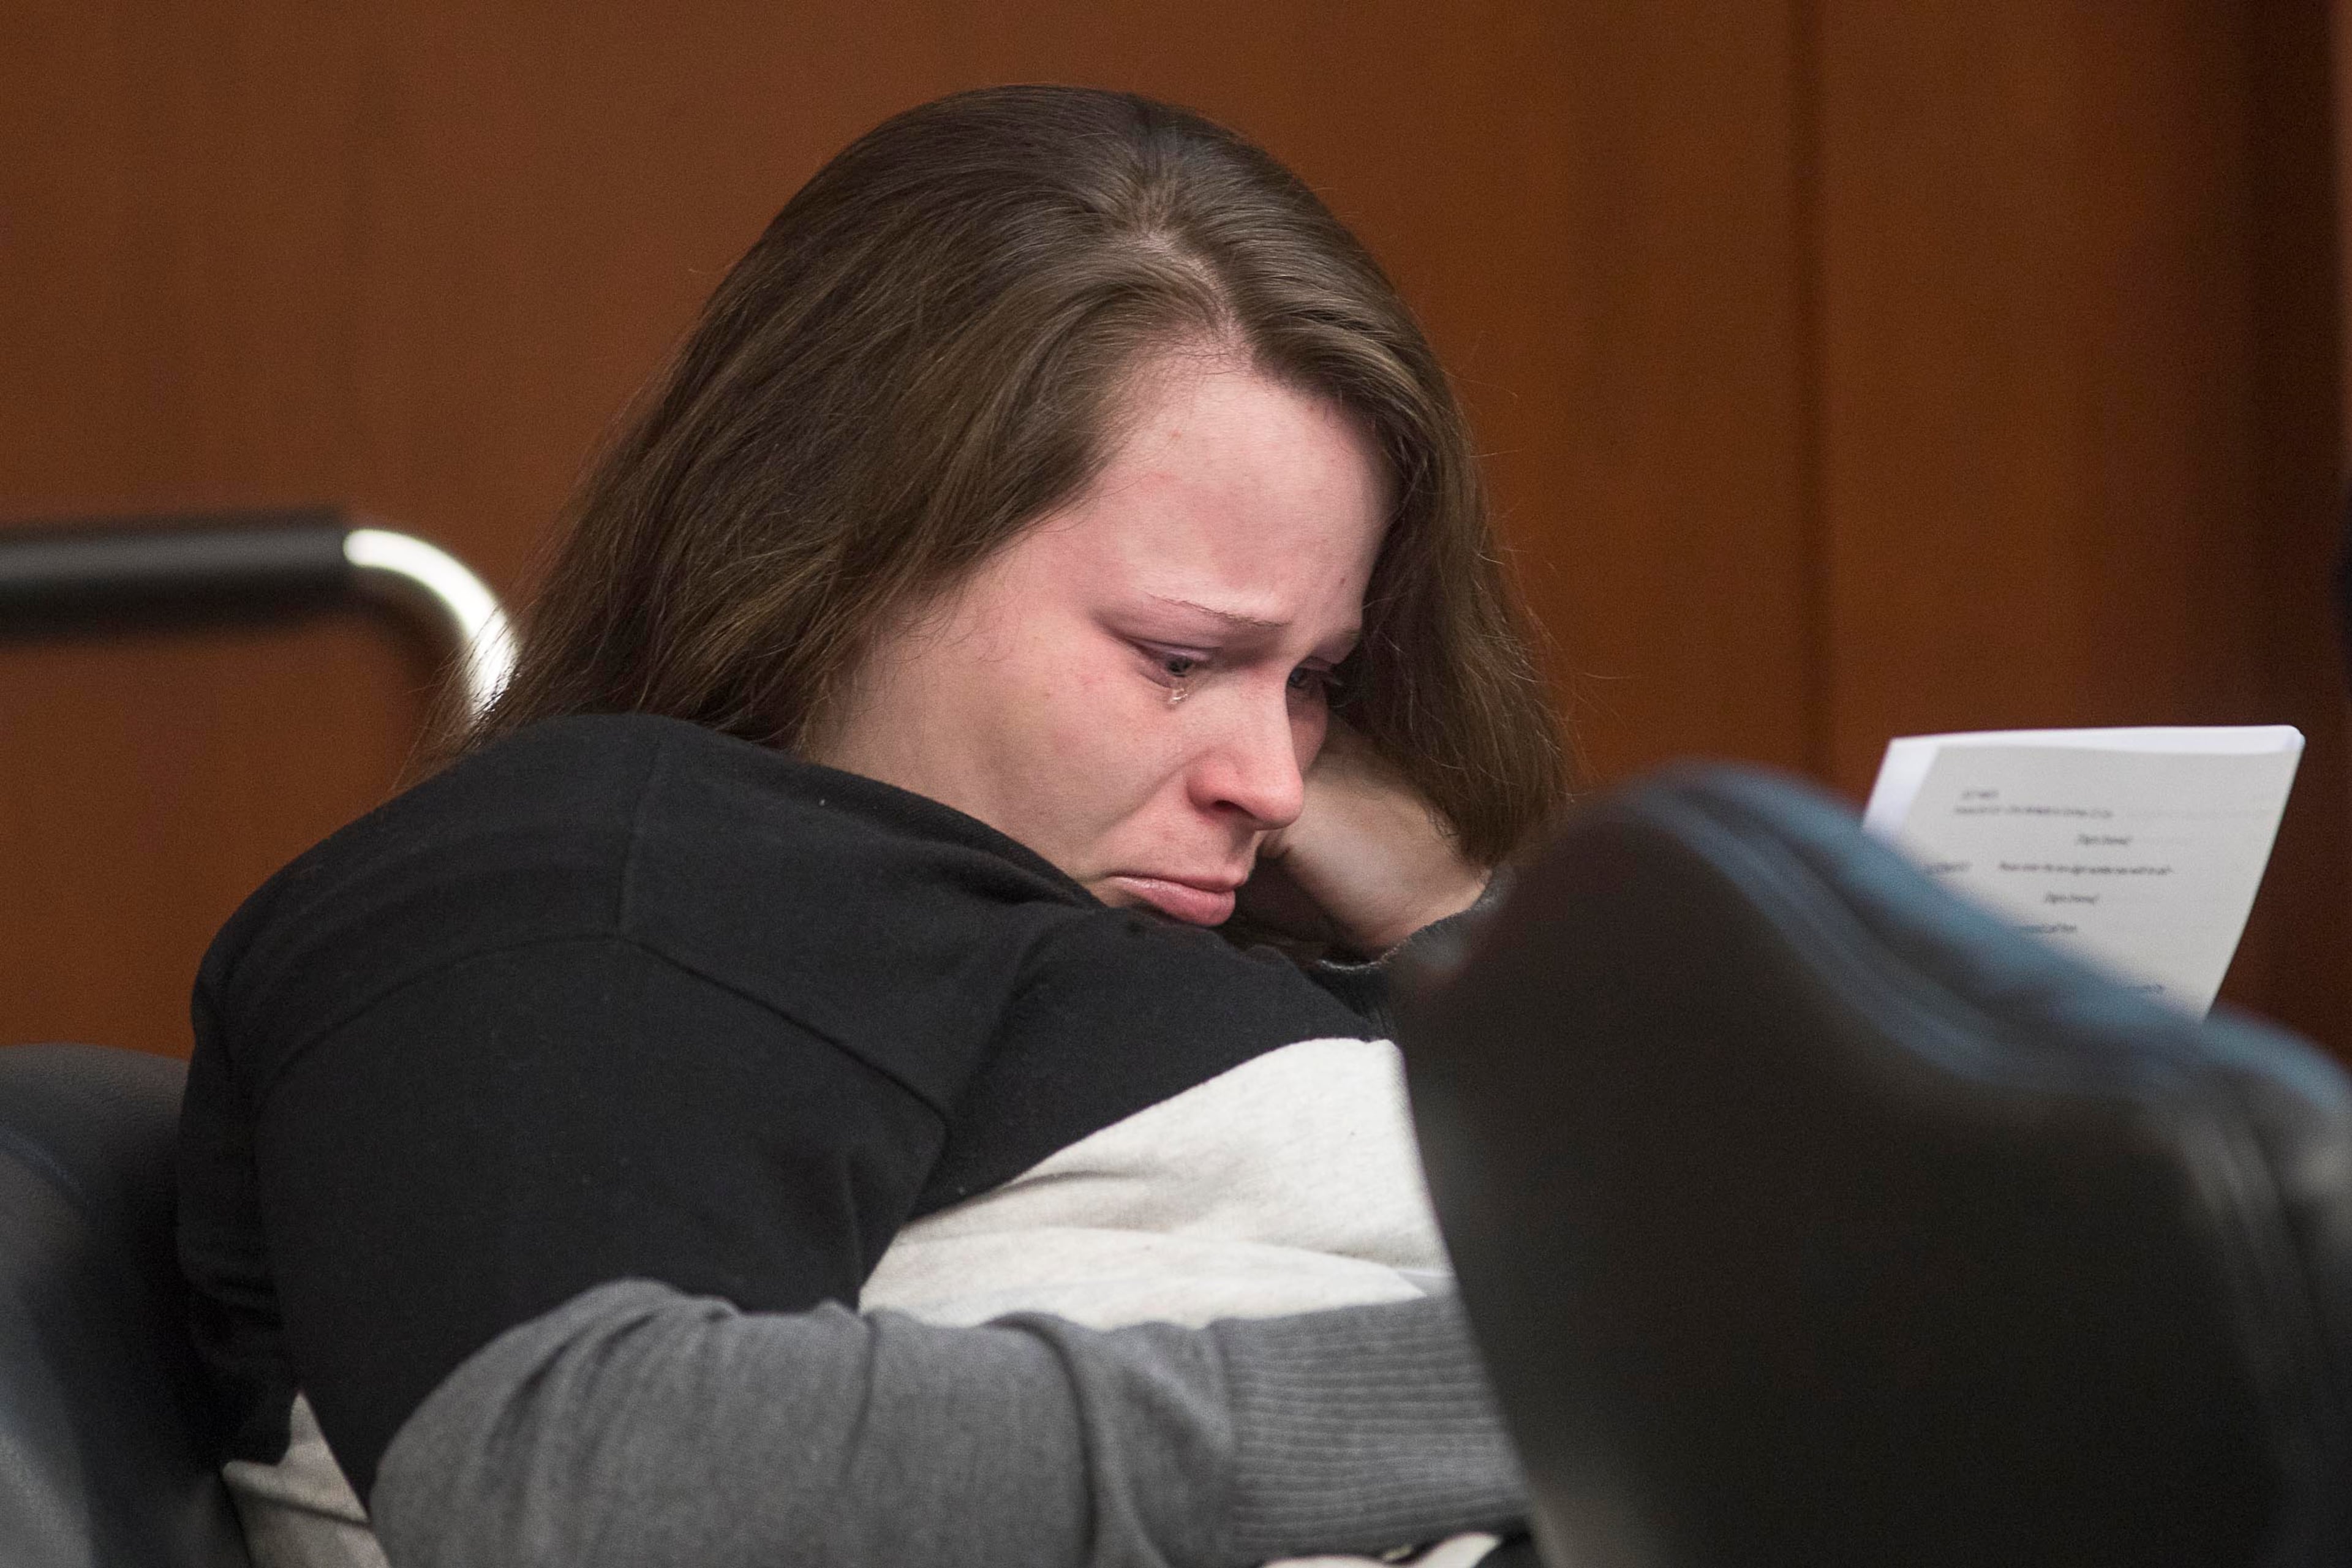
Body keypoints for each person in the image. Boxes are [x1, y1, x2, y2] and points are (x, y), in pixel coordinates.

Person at [177, 85, 1567, 1568]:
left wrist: (1455, 919)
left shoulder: (1187, 939)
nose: (1276, 778)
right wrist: (1595, 1389)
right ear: (845, 553)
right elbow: (576, 1472)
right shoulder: (604, 865)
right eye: (1177, 654)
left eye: (1316, 679)